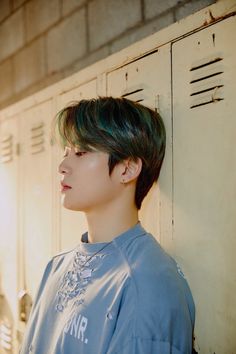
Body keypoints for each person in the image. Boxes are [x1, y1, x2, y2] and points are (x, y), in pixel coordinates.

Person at [20, 97, 195, 354]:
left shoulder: (148, 283)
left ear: (127, 169)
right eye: (66, 152)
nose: (62, 166)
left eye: (80, 152)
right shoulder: (56, 266)